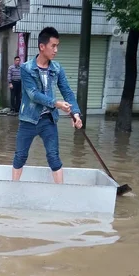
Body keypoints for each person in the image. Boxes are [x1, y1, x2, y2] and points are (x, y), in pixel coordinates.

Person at [12, 27, 82, 185]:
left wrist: (76, 114)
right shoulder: (26, 68)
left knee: (54, 156)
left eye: (57, 46)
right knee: (20, 156)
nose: (56, 50)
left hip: (48, 120)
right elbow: (33, 94)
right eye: (53, 46)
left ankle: (60, 193)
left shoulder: (57, 68)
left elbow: (68, 92)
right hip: (28, 119)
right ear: (42, 47)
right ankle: (13, 188)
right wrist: (56, 104)